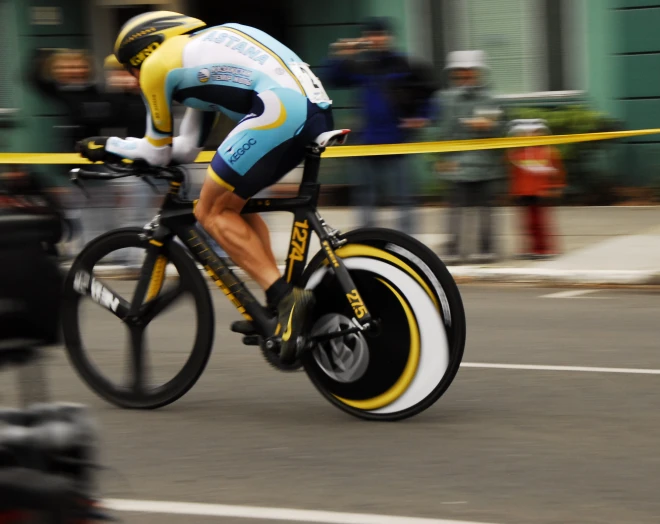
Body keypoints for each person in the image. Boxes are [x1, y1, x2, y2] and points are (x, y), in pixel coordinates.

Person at [75, 11, 335, 363]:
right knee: (233, 206)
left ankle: (287, 298)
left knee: (209, 211)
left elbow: (155, 152)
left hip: (282, 109)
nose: (134, 81)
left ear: (143, 51)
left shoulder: (158, 66)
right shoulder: (202, 53)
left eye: (129, 70)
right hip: (312, 109)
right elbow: (184, 149)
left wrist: (108, 147)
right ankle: (278, 303)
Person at [324, 17, 438, 234]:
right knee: (366, 198)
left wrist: (423, 116)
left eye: (380, 34)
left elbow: (429, 91)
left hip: (398, 143)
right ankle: (369, 239)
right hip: (367, 143)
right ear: (365, 38)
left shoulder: (404, 63)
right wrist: (340, 55)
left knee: (403, 198)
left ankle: (408, 241)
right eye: (371, 35)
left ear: (389, 37)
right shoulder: (361, 65)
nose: (376, 39)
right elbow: (332, 79)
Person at [432, 50, 503, 264]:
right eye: (460, 73)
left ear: (478, 73)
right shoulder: (446, 100)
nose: (464, 77)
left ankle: (486, 248)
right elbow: (441, 131)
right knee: (455, 210)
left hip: (485, 164)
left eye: (469, 72)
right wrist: (442, 158)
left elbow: (501, 129)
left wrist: (491, 126)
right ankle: (453, 248)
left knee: (485, 210)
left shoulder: (489, 99)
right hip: (458, 164)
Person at [506, 119, 566, 260]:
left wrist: (555, 187)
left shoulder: (549, 151)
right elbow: (513, 173)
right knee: (525, 223)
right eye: (521, 134)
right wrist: (513, 191)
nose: (527, 136)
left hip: (541, 191)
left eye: (535, 133)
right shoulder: (515, 153)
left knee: (541, 223)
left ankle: (545, 248)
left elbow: (558, 171)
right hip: (522, 192)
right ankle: (527, 248)